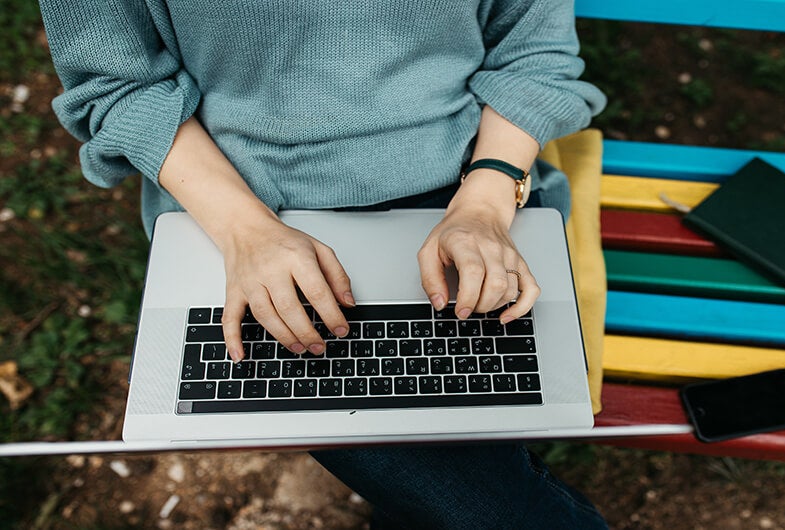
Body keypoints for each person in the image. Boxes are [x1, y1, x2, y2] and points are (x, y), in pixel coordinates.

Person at [40, 1, 608, 527]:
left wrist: (485, 201)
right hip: (241, 202)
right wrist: (246, 232)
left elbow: (532, 50)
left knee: (453, 475)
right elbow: (117, 85)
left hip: (467, 179)